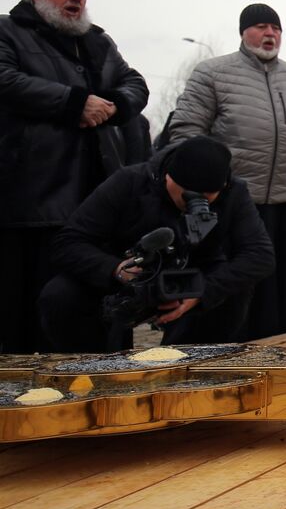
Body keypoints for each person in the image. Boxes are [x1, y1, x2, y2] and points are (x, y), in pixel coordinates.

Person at [0, 0, 149, 352]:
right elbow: (6, 79)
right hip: (33, 201)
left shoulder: (98, 41)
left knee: (103, 302)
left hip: (96, 200)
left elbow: (135, 84)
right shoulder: (7, 31)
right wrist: (74, 103)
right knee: (33, 308)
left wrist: (113, 105)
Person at [166, 4, 286, 339]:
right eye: (260, 26)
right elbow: (186, 130)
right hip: (230, 203)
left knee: (278, 290)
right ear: (244, 32)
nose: (269, 34)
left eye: (275, 28)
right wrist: (203, 186)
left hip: (283, 201)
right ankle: (222, 353)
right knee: (233, 287)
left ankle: (280, 350)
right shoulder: (212, 73)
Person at [39, 136, 274, 351]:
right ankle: (93, 366)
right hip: (125, 279)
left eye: (209, 196)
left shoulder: (234, 192)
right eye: (189, 194)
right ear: (169, 176)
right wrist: (115, 269)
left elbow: (260, 255)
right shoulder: (129, 182)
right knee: (61, 295)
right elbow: (68, 241)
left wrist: (202, 292)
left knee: (234, 291)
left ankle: (187, 365)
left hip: (191, 283)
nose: (198, 201)